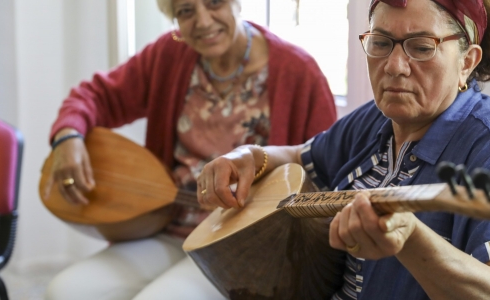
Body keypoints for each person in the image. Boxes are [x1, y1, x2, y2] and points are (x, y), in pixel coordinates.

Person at [198, 0, 490, 299]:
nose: (393, 66)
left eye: (422, 47)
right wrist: (248, 156)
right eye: (380, 43)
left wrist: (408, 236)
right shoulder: (376, 121)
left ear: (467, 62)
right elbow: (300, 157)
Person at [43, 0, 337, 299]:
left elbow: (328, 165)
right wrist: (68, 137)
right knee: (65, 291)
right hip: (166, 230)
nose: (203, 21)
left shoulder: (299, 72)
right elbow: (95, 95)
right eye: (185, 11)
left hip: (239, 246)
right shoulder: (168, 54)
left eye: (214, 3)